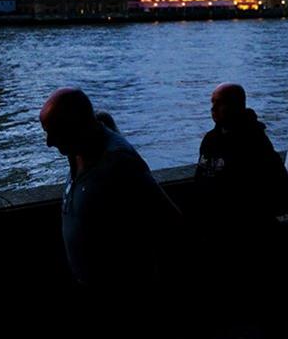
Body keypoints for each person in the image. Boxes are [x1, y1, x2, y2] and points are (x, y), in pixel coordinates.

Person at [39, 88, 182, 308]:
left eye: (54, 132)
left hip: (121, 295)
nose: (48, 142)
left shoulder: (119, 164)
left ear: (76, 125)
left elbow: (168, 220)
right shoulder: (79, 151)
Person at [193, 83, 288, 339]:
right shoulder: (211, 140)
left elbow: (277, 186)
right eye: (212, 103)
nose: (212, 108)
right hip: (219, 235)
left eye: (219, 103)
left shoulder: (254, 142)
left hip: (249, 236)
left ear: (236, 106)